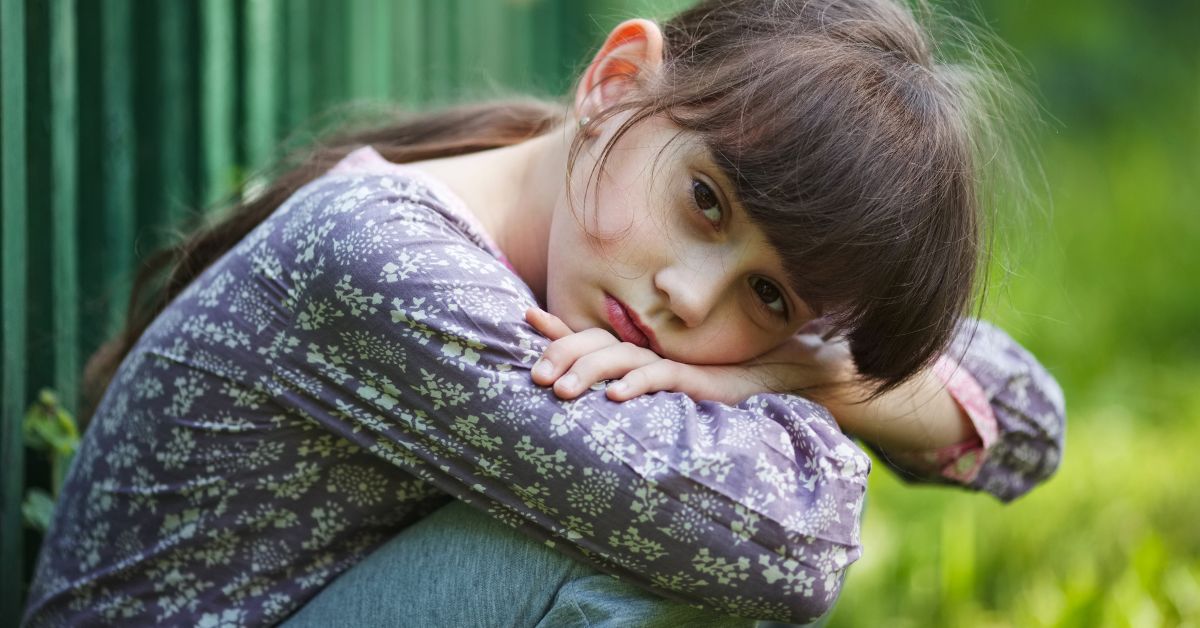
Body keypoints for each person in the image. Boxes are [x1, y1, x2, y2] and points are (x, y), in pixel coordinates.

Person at [22, 0, 1065, 626]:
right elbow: (791, 541)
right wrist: (806, 368)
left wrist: (797, 367)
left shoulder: (570, 210)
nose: (688, 299)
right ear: (618, 80)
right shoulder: (394, 263)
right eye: (705, 202)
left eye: (769, 293)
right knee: (659, 537)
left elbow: (1028, 421)